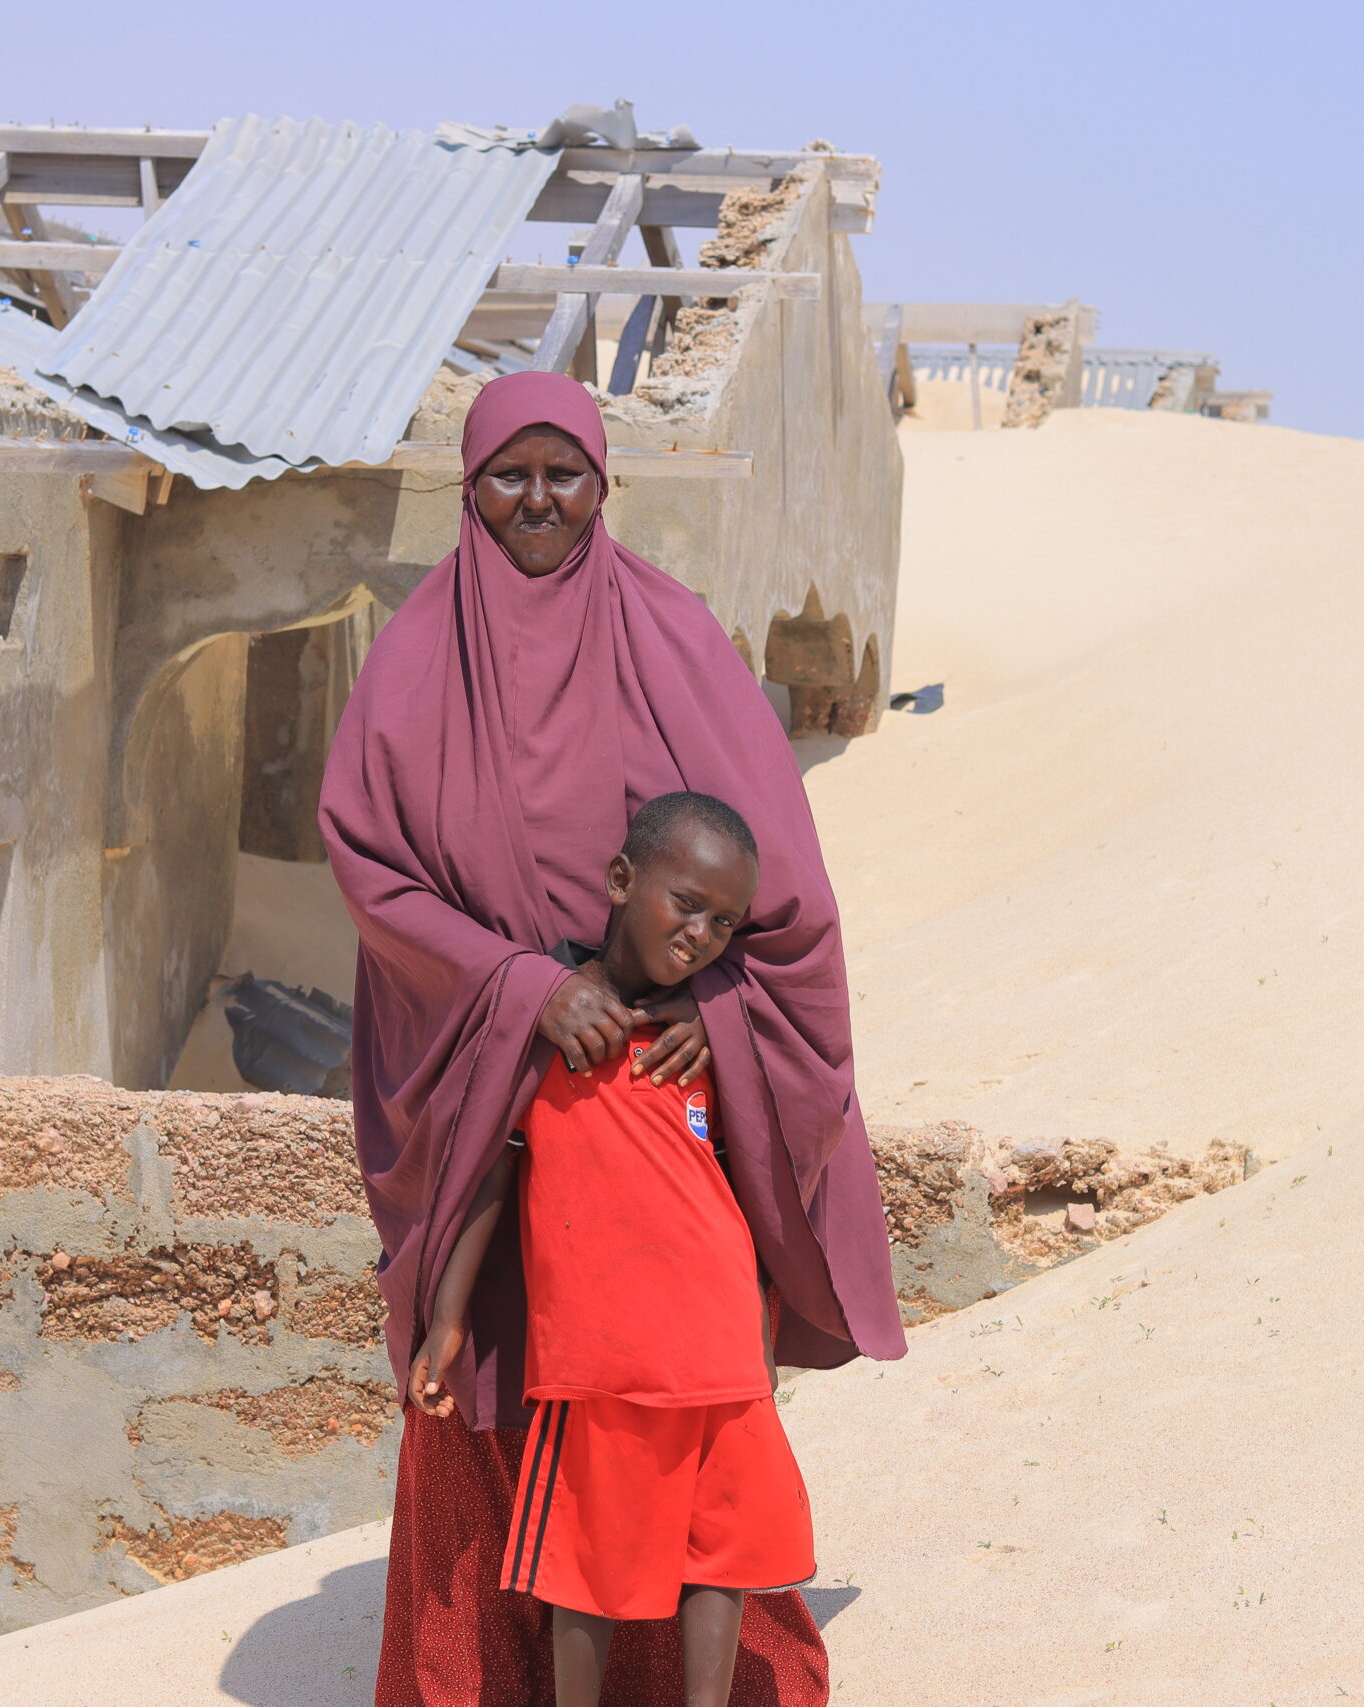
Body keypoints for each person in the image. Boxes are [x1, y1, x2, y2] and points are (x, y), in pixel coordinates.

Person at [319, 371, 903, 1706]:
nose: (538, 502)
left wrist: (713, 1001)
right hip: (493, 1073)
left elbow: (781, 893)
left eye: (564, 474)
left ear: (603, 485)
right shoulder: (415, 654)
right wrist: (522, 985)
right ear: (467, 491)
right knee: (505, 1386)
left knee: (673, 1429)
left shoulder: (674, 637)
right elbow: (369, 863)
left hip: (658, 1104)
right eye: (508, 477)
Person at [410, 792, 807, 1707]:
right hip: (602, 1353)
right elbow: (488, 1173)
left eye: (725, 922)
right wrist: (448, 1319)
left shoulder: (703, 1029)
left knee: (724, 1546)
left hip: (719, 1340)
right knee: (582, 1559)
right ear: (623, 880)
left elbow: (754, 1158)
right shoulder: (547, 1019)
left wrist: (754, 1323)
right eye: (688, 903)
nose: (703, 933)